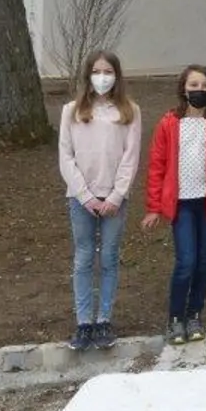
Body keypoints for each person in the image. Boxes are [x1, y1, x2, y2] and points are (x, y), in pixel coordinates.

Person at [143, 65, 206, 346]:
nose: (199, 90)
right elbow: (157, 167)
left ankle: (195, 314)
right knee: (186, 261)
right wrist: (153, 207)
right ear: (183, 88)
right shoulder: (169, 123)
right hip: (181, 204)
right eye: (194, 85)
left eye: (205, 86)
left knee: (204, 261)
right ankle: (175, 318)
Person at [57, 50, 142, 351]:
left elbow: (130, 158)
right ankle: (84, 322)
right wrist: (85, 196)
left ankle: (104, 318)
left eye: (108, 71)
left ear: (116, 76)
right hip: (82, 198)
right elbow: (66, 157)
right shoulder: (72, 110)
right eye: (97, 71)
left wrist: (116, 195)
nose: (102, 77)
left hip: (114, 200)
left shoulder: (129, 111)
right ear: (88, 75)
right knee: (83, 259)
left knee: (108, 258)